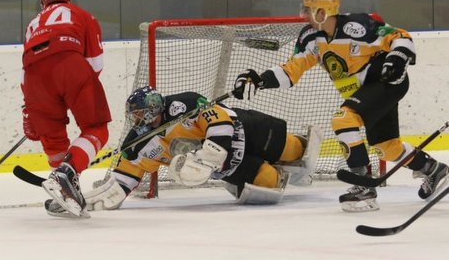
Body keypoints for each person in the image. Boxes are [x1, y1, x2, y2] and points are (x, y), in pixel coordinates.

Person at [232, 0, 449, 212]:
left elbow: (400, 36)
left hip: (386, 82)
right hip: (364, 93)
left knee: (343, 119)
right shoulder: (310, 37)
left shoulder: (356, 27)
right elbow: (291, 70)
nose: (304, 15)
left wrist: (397, 57)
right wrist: (259, 80)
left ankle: (362, 186)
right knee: (386, 147)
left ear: (324, 11)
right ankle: (433, 169)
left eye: (309, 10)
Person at [45, 86, 322, 216]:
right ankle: (283, 173)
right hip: (230, 167)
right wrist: (81, 200)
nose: (139, 120)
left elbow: (219, 121)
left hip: (245, 130)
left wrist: (210, 155)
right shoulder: (137, 143)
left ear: (155, 108)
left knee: (294, 148)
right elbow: (121, 181)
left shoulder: (182, 104)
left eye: (143, 114)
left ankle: (297, 158)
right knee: (269, 181)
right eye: (135, 116)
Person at [21, 0, 111, 218]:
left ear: (42, 1)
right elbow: (94, 63)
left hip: (33, 80)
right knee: (97, 128)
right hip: (70, 66)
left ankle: (64, 193)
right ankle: (66, 176)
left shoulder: (33, 24)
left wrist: (29, 111)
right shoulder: (82, 15)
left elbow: (24, 71)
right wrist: (77, 94)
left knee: (53, 141)